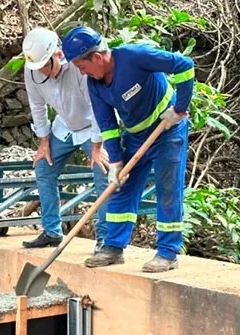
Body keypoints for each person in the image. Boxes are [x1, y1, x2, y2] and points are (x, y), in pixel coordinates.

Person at [61, 27, 194, 273]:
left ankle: (168, 252)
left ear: (97, 58)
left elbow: (184, 64)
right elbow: (107, 124)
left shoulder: (135, 56)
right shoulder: (95, 83)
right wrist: (116, 161)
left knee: (167, 189)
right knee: (122, 187)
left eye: (82, 66)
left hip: (167, 130)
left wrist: (180, 108)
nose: (82, 72)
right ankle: (113, 247)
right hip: (135, 136)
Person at [20, 27, 110, 251]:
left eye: (45, 66)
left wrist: (98, 147)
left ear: (58, 55)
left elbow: (98, 107)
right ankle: (52, 230)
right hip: (65, 126)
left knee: (103, 174)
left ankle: (105, 239)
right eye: (37, 67)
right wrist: (43, 141)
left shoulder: (79, 68)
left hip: (93, 126)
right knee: (43, 168)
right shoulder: (32, 70)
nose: (41, 72)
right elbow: (37, 105)